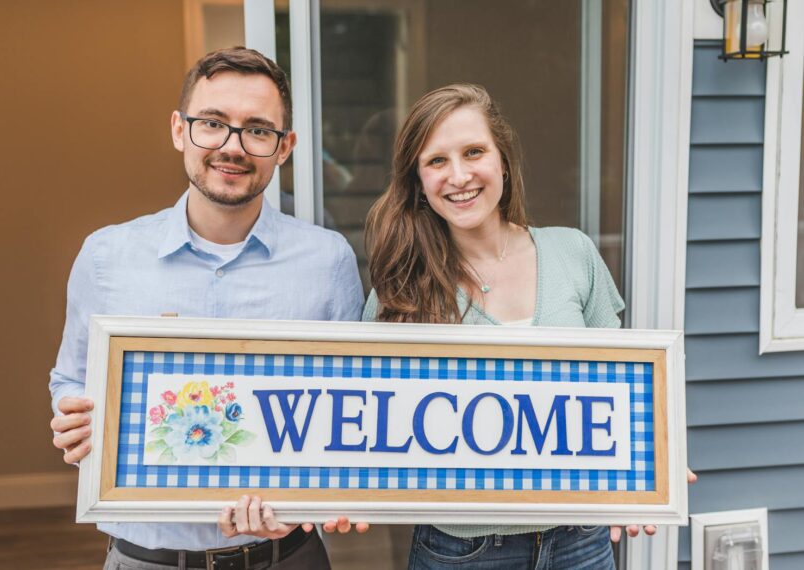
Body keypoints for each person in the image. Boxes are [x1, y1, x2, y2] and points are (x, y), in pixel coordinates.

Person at [49, 47, 367, 570]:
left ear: (284, 147)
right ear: (179, 130)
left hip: (285, 555)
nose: (232, 146)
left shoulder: (328, 261)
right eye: (213, 124)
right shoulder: (105, 257)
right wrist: (73, 415)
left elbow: (347, 408)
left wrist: (317, 500)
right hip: (144, 558)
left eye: (258, 130)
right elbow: (71, 379)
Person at [362, 83, 672, 569]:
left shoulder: (574, 253)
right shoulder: (401, 291)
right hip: (461, 550)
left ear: (502, 161)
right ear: (418, 181)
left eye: (473, 152)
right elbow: (364, 420)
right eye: (437, 161)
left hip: (581, 541)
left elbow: (620, 392)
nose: (459, 175)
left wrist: (656, 467)